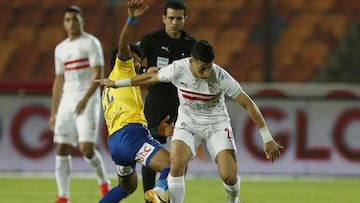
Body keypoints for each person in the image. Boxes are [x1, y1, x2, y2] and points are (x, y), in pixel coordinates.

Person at [95, 40, 284, 203]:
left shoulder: (220, 76)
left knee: (229, 176)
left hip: (216, 124)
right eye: (202, 68)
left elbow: (248, 104)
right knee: (176, 165)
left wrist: (266, 137)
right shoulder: (179, 69)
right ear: (191, 62)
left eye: (209, 67)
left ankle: (233, 199)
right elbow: (151, 77)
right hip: (188, 123)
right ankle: (161, 191)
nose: (205, 72)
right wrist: (118, 83)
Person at [98, 1, 173, 202]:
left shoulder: (111, 86)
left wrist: (147, 73)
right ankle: (157, 193)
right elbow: (123, 45)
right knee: (173, 164)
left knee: (127, 187)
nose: (138, 64)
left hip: (115, 141)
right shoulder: (121, 68)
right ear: (122, 60)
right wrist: (132, 18)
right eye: (135, 60)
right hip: (131, 135)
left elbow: (141, 79)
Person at [48, 5, 111, 203]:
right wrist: (53, 112)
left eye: (75, 19)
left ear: (82, 21)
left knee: (86, 149)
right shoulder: (60, 49)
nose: (71, 23)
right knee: (62, 148)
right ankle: (63, 197)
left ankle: (104, 183)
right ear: (64, 23)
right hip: (67, 100)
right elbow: (59, 80)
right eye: (67, 20)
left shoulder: (91, 43)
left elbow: (98, 74)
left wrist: (85, 99)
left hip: (88, 99)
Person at [137, 1, 196, 200]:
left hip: (183, 106)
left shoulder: (191, 45)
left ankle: (172, 198)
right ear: (163, 18)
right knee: (150, 156)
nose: (174, 22)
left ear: (184, 20)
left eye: (179, 18)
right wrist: (144, 71)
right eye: (170, 18)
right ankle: (149, 198)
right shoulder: (151, 41)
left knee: (181, 158)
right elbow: (130, 65)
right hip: (157, 106)